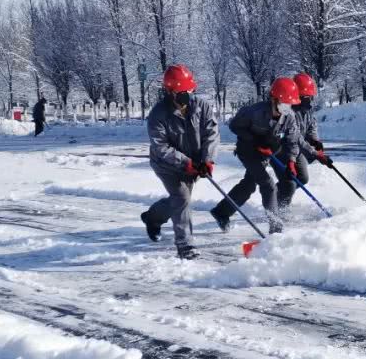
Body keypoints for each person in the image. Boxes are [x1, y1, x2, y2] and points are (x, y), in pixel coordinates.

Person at [210, 77, 330, 234]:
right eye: (284, 104)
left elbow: (293, 141)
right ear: (273, 99)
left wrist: (292, 162)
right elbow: (234, 125)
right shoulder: (254, 112)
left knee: (254, 184)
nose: (287, 108)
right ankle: (276, 230)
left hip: (269, 151)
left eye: (290, 105)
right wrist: (254, 140)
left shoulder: (289, 117)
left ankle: (221, 211)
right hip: (248, 151)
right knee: (268, 185)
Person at [140, 64, 219, 260]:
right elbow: (161, 147)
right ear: (169, 91)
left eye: (189, 90)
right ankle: (185, 246)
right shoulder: (158, 115)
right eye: (180, 92)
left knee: (179, 200)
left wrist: (207, 160)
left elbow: (212, 133)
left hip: (195, 163)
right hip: (167, 165)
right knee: (182, 197)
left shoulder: (202, 107)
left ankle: (152, 217)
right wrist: (187, 163)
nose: (186, 95)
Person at [278, 73, 325, 215]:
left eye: (310, 96)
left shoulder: (308, 110)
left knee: (303, 178)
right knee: (290, 181)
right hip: (285, 148)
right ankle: (281, 207)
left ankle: (276, 194)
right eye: (305, 97)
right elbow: (296, 136)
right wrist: (313, 152)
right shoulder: (289, 112)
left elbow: (312, 127)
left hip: (298, 149)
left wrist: (315, 140)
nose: (309, 100)